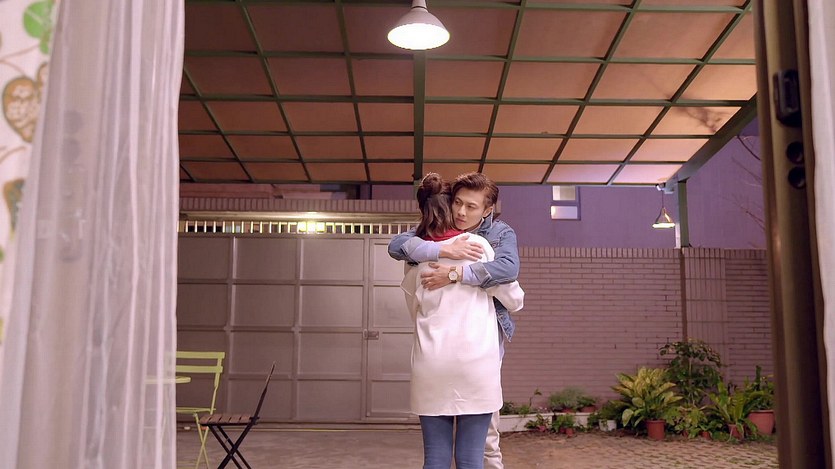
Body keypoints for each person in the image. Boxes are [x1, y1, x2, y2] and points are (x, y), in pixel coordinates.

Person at [389, 172, 520, 469]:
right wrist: (446, 251)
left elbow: (414, 306)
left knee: (436, 458)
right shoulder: (479, 248)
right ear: (448, 202)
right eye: (457, 203)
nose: (461, 212)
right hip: (477, 359)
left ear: (487, 210)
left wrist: (453, 273)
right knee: (476, 455)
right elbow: (515, 298)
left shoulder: (420, 255)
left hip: (432, 360)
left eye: (471, 207)